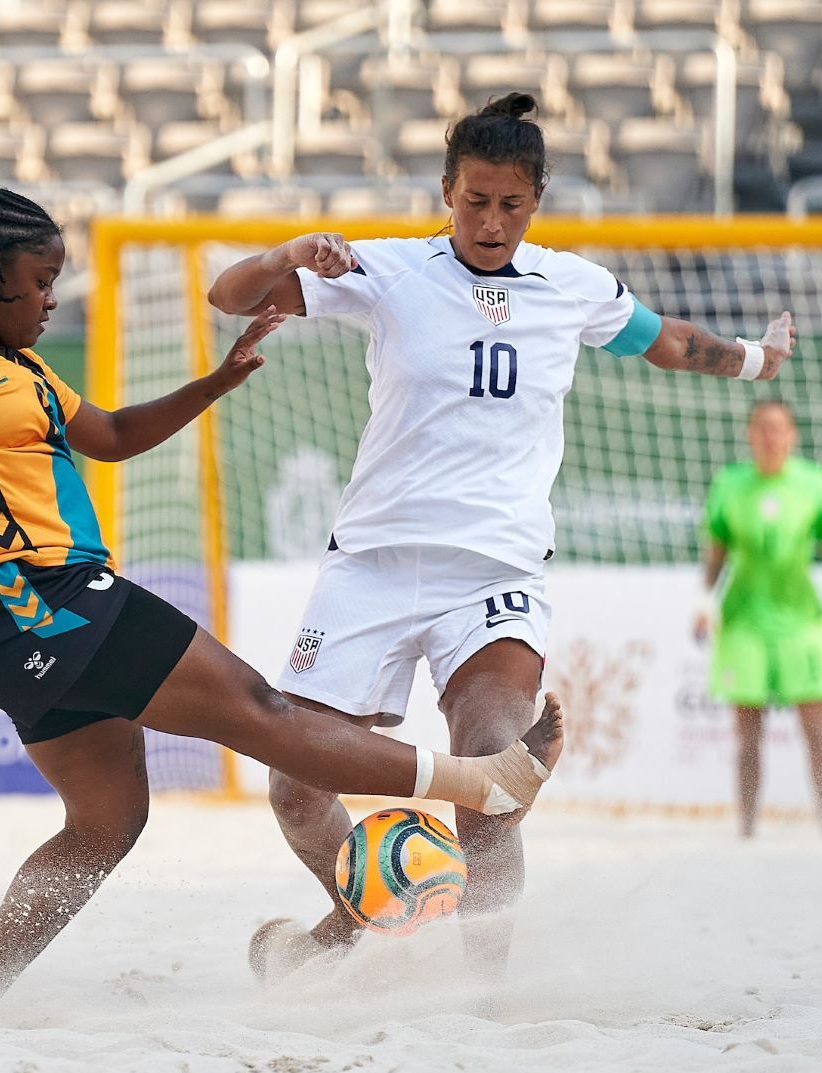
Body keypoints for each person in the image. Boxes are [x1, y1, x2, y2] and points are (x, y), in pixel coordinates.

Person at [0, 171, 565, 1002]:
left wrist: (215, 382)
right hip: (31, 599)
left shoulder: (22, 368)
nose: (53, 298)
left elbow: (114, 436)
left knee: (105, 825)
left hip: (31, 613)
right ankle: (479, 782)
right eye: (40, 281)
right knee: (262, 712)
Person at [208, 92, 797, 971]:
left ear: (535, 202)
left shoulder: (574, 287)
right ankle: (360, 911)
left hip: (496, 573)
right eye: (475, 200)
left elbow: (668, 340)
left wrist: (755, 358)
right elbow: (230, 296)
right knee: (294, 788)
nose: (491, 221)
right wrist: (290, 253)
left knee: (492, 772)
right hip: (370, 563)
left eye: (511, 204)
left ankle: (478, 994)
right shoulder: (388, 271)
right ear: (447, 192)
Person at [695, 400, 822, 837]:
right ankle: (746, 829)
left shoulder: (813, 483)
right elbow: (716, 554)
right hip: (744, 622)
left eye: (779, 428)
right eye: (763, 428)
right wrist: (703, 603)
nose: (771, 436)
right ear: (750, 434)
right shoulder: (730, 484)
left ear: (793, 435)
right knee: (748, 735)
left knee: (818, 730)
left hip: (800, 621)